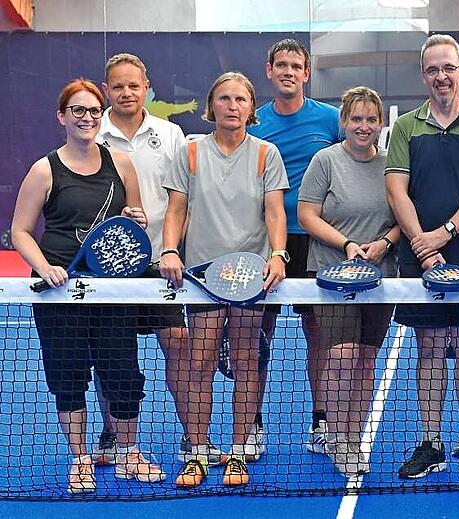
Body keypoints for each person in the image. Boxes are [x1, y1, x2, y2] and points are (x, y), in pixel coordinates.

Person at [11, 79, 164, 493]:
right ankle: (80, 459)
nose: (87, 118)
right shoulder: (45, 169)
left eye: (94, 111)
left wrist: (138, 218)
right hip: (60, 290)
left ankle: (129, 454)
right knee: (68, 374)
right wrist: (45, 268)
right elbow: (20, 231)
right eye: (77, 111)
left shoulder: (122, 163)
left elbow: (135, 218)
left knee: (123, 373)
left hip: (113, 289)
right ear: (62, 116)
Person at [90, 52, 219, 467]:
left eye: (134, 85)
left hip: (164, 262)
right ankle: (112, 435)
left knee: (178, 344)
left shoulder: (171, 134)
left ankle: (192, 440)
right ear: (106, 88)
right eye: (118, 86)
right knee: (112, 353)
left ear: (147, 87)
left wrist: (173, 248)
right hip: (109, 266)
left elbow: (183, 197)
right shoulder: (92, 133)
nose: (126, 92)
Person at [160, 71, 288, 487]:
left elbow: (274, 212)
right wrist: (169, 249)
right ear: (210, 105)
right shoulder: (191, 152)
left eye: (240, 99)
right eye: (224, 98)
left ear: (252, 109)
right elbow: (176, 209)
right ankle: (197, 451)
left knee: (246, 361)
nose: (232, 106)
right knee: (199, 362)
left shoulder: (266, 153)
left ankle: (237, 452)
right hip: (200, 275)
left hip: (249, 275)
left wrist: (278, 255)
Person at [385, 34, 459, 480]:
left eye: (448, 68)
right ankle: (431, 442)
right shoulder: (406, 128)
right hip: (421, 260)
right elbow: (397, 189)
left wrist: (444, 234)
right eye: (433, 69)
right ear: (424, 75)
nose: (441, 76)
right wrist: (421, 243)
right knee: (429, 349)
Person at [248, 38, 344, 456]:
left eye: (296, 66)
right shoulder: (252, 121)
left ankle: (322, 421)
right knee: (255, 334)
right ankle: (251, 424)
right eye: (280, 65)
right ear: (269, 71)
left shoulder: (332, 119)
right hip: (263, 241)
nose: (288, 71)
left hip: (316, 242)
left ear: (307, 73)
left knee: (319, 333)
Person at [297, 86, 399, 478]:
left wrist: (384, 243)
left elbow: (400, 219)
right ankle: (336, 436)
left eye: (371, 119)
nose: (363, 126)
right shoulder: (325, 160)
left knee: (367, 358)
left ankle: (355, 437)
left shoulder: (391, 164)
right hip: (330, 276)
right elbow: (308, 215)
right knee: (341, 357)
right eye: (356, 119)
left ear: (380, 123)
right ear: (344, 122)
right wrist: (348, 244)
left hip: (379, 278)